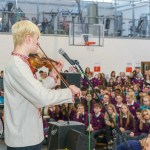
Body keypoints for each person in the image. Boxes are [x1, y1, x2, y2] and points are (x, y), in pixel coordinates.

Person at [4, 20, 80, 150]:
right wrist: (69, 92)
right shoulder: (18, 66)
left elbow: (35, 89)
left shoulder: (21, 63)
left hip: (29, 134)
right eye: (36, 38)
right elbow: (41, 97)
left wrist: (52, 77)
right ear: (28, 39)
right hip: (24, 139)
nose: (38, 43)